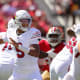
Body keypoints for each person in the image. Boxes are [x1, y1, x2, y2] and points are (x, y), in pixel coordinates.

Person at [0, 10, 42, 80]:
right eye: (23, 21)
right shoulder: (11, 33)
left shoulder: (33, 32)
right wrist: (4, 40)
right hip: (16, 73)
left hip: (32, 73)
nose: (26, 23)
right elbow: (3, 39)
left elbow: (35, 52)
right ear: (16, 21)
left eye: (27, 21)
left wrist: (18, 46)